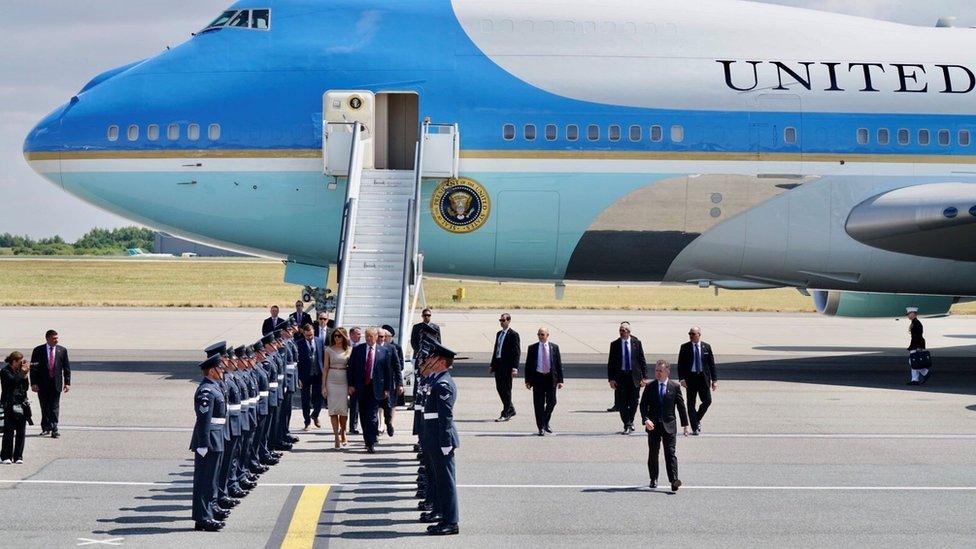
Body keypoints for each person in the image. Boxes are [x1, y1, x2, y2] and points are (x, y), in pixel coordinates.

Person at [418, 339, 461, 536]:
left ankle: (451, 521)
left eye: (435, 358)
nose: (431, 361)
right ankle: (444, 516)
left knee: (446, 481)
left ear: (442, 362)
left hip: (440, 439)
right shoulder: (436, 381)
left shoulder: (443, 384)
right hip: (433, 437)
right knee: (441, 479)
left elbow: (445, 417)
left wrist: (444, 442)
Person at [190, 354, 228, 532]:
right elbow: (204, 420)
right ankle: (202, 518)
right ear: (211, 370)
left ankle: (208, 513)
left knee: (211, 480)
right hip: (209, 441)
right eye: (219, 368)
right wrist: (203, 444)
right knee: (204, 481)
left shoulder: (214, 387)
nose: (222, 371)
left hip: (217, 437)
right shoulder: (206, 390)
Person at [640, 360, 689, 492]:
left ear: (667, 372)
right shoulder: (650, 387)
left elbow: (681, 406)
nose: (657, 373)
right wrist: (646, 420)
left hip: (669, 425)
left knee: (670, 453)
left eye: (660, 371)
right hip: (653, 426)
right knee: (653, 453)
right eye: (656, 370)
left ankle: (674, 480)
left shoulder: (675, 387)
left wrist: (685, 425)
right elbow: (643, 405)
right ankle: (653, 478)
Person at [347, 328, 395, 453]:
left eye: (371, 336)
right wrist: (351, 385)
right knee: (363, 414)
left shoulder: (383, 351)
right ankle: (367, 440)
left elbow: (388, 372)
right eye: (367, 336)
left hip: (376, 387)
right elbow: (351, 368)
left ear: (375, 337)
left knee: (373, 414)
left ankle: (372, 439)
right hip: (361, 387)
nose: (369, 339)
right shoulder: (358, 350)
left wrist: (387, 389)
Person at [607, 322, 647, 434]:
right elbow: (611, 363)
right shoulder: (615, 344)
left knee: (634, 401)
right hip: (621, 377)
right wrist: (611, 379)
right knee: (623, 402)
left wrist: (644, 377)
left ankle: (631, 420)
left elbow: (642, 360)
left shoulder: (636, 343)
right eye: (620, 330)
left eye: (623, 330)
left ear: (629, 332)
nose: (621, 332)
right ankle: (627, 424)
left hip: (634, 376)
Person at [30, 329, 70, 438]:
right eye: (54, 338)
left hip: (56, 383)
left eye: (57, 338)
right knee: (44, 406)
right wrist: (33, 383)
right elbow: (33, 368)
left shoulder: (62, 350)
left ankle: (54, 428)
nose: (56, 340)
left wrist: (67, 382)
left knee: (54, 406)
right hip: (42, 384)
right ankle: (46, 427)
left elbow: (66, 368)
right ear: (47, 339)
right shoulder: (38, 350)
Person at [677, 326, 718, 436]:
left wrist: (714, 380)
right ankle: (695, 428)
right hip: (690, 379)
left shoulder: (706, 347)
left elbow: (711, 364)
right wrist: (682, 379)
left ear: (699, 335)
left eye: (693, 334)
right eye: (689, 334)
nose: (690, 336)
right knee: (691, 404)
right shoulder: (685, 347)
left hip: (703, 378)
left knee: (707, 401)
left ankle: (696, 419)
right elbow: (680, 365)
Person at [524, 327, 564, 436]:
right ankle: (541, 427)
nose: (540, 337)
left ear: (547, 335)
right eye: (539, 335)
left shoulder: (554, 347)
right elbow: (528, 365)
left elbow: (558, 365)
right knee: (538, 404)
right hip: (538, 378)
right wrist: (527, 381)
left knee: (552, 402)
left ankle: (545, 421)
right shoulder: (532, 348)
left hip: (550, 378)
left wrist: (560, 380)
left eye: (542, 334)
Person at [321, 327, 351, 449]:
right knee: (333, 410)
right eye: (335, 336)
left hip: (344, 380)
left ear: (344, 337)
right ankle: (336, 436)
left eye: (339, 336)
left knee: (343, 411)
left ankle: (343, 430)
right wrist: (323, 386)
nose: (337, 338)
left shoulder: (349, 350)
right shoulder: (328, 350)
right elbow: (325, 368)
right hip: (332, 380)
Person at [1, 352, 31, 465]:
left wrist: (26, 374)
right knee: (9, 431)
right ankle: (5, 456)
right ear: (14, 361)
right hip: (9, 404)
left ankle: (18, 456)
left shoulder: (20, 371)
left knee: (21, 431)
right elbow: (12, 382)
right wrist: (23, 372)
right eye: (20, 362)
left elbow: (25, 387)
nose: (21, 364)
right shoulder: (5, 371)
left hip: (21, 404)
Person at [489, 313, 520, 422]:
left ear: (508, 321)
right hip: (498, 364)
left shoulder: (513, 334)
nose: (501, 322)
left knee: (506, 389)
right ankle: (511, 408)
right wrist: (492, 364)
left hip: (507, 366)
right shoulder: (499, 334)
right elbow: (495, 349)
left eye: (503, 320)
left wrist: (515, 368)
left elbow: (516, 352)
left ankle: (506, 412)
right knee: (499, 388)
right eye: (500, 320)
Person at [380, 325, 405, 437]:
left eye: (386, 336)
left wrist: (399, 383)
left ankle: (389, 422)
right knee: (380, 404)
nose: (384, 338)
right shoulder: (378, 347)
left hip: (392, 380)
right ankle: (381, 424)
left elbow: (400, 366)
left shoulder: (396, 348)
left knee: (391, 404)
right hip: (380, 380)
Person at [296, 324, 322, 430]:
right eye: (307, 336)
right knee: (305, 399)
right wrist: (298, 377)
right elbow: (296, 363)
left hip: (318, 374)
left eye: (311, 335)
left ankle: (315, 415)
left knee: (319, 398)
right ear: (304, 334)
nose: (310, 337)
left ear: (314, 332)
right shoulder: (299, 344)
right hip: (304, 375)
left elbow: (323, 357)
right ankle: (307, 421)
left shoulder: (319, 341)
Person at [347, 326, 364, 435]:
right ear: (351, 334)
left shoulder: (362, 347)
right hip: (346, 377)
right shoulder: (345, 345)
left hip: (359, 379)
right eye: (357, 334)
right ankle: (350, 426)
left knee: (357, 403)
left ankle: (354, 426)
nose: (359, 336)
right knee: (353, 404)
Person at [907, 307, 930, 385]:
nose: (908, 316)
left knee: (913, 361)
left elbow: (918, 336)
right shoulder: (914, 322)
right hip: (915, 344)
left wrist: (919, 347)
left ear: (913, 314)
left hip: (916, 345)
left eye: (909, 314)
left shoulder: (917, 323)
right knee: (914, 362)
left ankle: (925, 372)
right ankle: (915, 380)